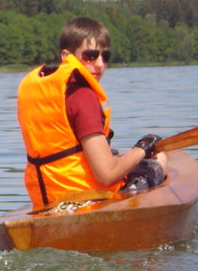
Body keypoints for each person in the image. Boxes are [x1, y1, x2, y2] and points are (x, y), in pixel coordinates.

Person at [17, 17, 167, 210]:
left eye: (105, 56)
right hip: (91, 202)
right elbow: (106, 174)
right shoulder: (83, 96)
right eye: (90, 55)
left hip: (49, 203)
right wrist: (143, 147)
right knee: (159, 159)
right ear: (66, 56)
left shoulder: (45, 93)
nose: (99, 64)